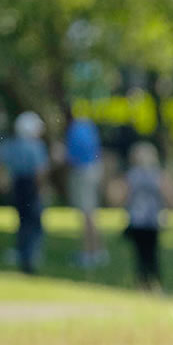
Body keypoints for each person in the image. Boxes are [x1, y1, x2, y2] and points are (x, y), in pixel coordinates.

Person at [0, 111, 49, 274]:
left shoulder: (11, 145)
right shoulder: (36, 146)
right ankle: (30, 256)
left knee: (23, 221)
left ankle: (22, 253)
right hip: (31, 186)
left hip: (17, 185)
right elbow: (40, 172)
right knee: (35, 222)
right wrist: (42, 189)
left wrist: (1, 183)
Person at [120, 141, 173, 291]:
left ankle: (144, 281)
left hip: (139, 220)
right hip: (151, 221)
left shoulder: (132, 176)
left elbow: (123, 196)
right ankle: (151, 281)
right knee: (150, 253)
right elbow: (169, 194)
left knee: (142, 253)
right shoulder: (157, 175)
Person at [65, 109, 106, 268]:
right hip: (93, 170)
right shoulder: (87, 126)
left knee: (87, 214)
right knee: (91, 213)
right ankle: (97, 251)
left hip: (83, 172)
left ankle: (91, 253)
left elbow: (73, 156)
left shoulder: (75, 130)